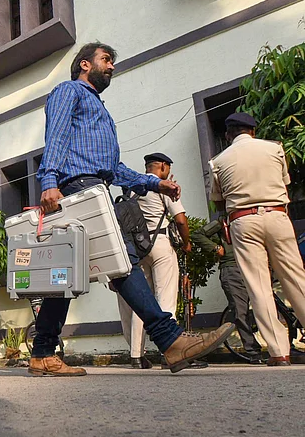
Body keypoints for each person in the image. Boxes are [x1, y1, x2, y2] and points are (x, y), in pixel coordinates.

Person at [34, 42, 234, 376]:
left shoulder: (100, 111)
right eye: (106, 60)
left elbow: (114, 169)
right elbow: (54, 136)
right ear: (85, 64)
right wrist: (48, 180)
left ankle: (41, 354)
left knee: (65, 277)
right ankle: (170, 340)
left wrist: (157, 184)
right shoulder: (69, 91)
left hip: (93, 185)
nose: (112, 66)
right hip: (78, 188)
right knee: (123, 261)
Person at [208, 112, 305, 366]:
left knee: (258, 285)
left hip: (243, 220)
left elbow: (218, 201)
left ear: (229, 135)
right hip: (277, 215)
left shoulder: (218, 161)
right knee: (295, 278)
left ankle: (279, 352)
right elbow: (285, 185)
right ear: (253, 130)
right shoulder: (275, 149)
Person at [115, 153, 202, 369]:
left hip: (139, 247)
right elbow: (180, 219)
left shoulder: (132, 189)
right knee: (165, 298)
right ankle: (170, 351)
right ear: (163, 166)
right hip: (161, 242)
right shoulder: (163, 187)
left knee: (142, 301)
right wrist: (186, 243)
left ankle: (136, 354)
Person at [190, 218, 265, 363]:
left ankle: (279, 346)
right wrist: (215, 247)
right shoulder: (222, 221)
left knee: (265, 306)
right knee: (240, 310)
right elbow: (197, 235)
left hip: (255, 264)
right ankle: (253, 351)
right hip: (232, 267)